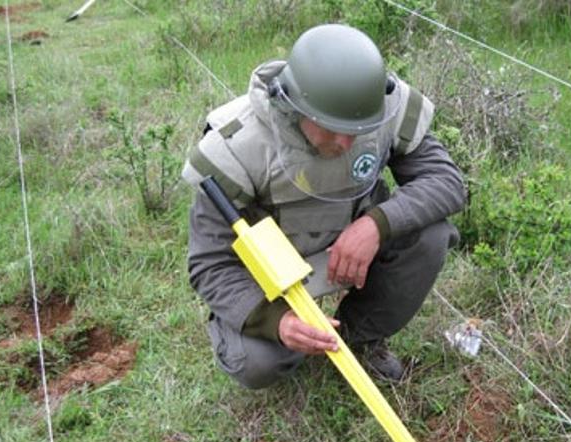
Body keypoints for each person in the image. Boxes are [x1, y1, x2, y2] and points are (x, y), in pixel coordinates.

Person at [182, 23, 466, 389]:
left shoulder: (385, 108)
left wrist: (377, 224)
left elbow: (445, 182)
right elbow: (209, 263)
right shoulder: (237, 148)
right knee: (256, 363)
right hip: (273, 279)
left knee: (430, 233)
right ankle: (294, 339)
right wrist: (278, 322)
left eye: (357, 128)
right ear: (292, 104)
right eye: (329, 127)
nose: (345, 143)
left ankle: (358, 339)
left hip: (354, 250)